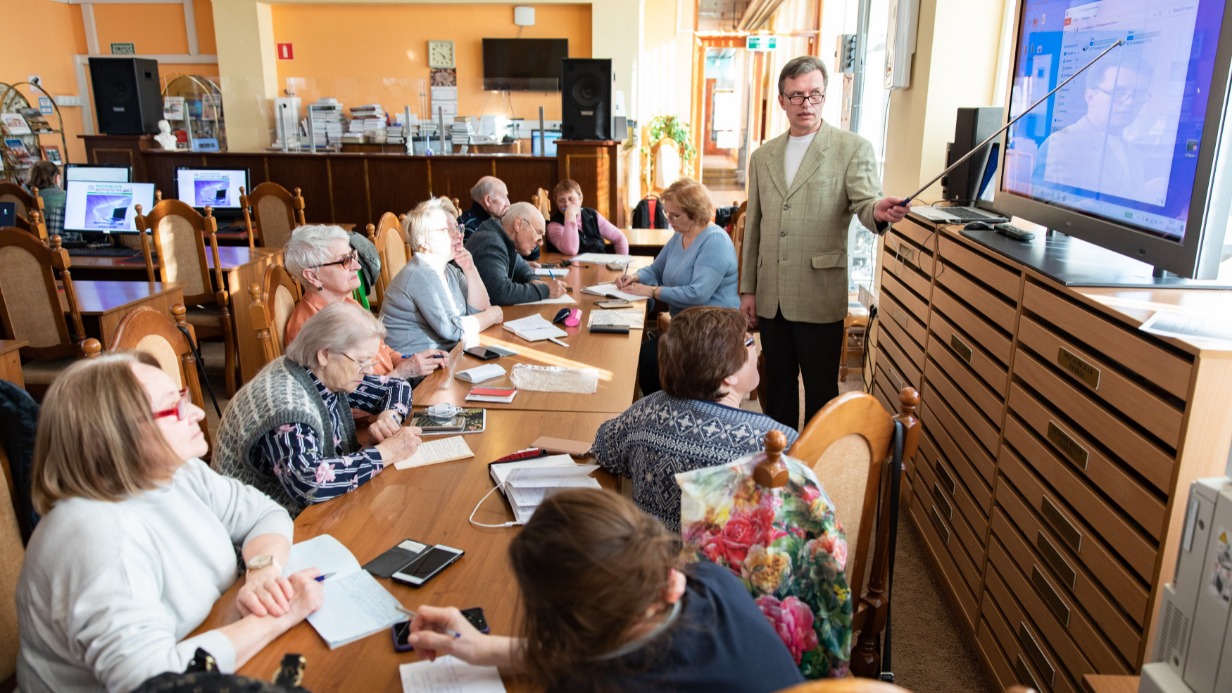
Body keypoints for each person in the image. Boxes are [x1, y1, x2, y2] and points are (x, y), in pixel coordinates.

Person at [17, 353, 323, 692]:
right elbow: (153, 681)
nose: (198, 412)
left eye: (184, 398)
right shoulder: (97, 534)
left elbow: (267, 514)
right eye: (173, 407)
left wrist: (264, 571)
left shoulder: (178, 472)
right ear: (118, 436)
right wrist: (281, 614)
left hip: (210, 639)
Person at [407, 489, 804, 693]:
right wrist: (483, 649)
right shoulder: (713, 583)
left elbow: (593, 662)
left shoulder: (592, 685)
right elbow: (606, 651)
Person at [741, 56, 910, 429]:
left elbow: (866, 202)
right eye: (797, 96)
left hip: (818, 292)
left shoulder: (852, 148)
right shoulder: (763, 156)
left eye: (815, 94)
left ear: (824, 96)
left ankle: (818, 471)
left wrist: (879, 211)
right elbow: (754, 226)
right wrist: (747, 290)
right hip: (771, 296)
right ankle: (780, 462)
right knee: (778, 388)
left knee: (821, 393)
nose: (807, 104)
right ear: (782, 100)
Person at [591, 306, 798, 532]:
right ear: (728, 375)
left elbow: (603, 447)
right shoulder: (775, 442)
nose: (755, 348)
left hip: (650, 560)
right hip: (730, 566)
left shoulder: (645, 410)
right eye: (748, 343)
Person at [214, 302, 421, 515]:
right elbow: (310, 483)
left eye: (371, 360)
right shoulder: (286, 405)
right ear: (324, 354)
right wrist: (385, 452)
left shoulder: (322, 372)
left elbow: (397, 386)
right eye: (361, 361)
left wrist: (389, 418)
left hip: (312, 513)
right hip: (264, 527)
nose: (368, 370)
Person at [615, 177, 738, 395]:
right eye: (667, 214)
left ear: (696, 212)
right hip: (687, 326)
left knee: (649, 358)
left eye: (675, 215)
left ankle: (668, 412)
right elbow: (655, 269)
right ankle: (665, 410)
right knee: (646, 357)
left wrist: (652, 291)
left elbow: (697, 294)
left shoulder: (715, 241)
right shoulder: (680, 235)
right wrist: (636, 277)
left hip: (713, 330)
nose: (669, 220)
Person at [283, 224, 446, 379]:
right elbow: (350, 400)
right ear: (312, 276)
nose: (357, 266)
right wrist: (402, 373)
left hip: (394, 388)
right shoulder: (311, 330)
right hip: (381, 404)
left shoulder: (347, 303)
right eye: (344, 261)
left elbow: (383, 350)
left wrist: (414, 362)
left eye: (353, 256)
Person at [381, 198, 504, 355]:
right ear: (423, 241)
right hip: (418, 368)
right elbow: (453, 330)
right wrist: (492, 316)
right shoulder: (421, 273)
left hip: (448, 355)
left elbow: (479, 311)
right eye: (448, 230)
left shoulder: (449, 270)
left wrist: (470, 268)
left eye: (458, 228)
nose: (458, 235)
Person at [1035, 64, 1164, 203]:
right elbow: (1050, 212)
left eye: (1138, 94)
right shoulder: (1060, 144)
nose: (1130, 102)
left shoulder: (1134, 154)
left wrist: (1145, 194)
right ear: (1090, 97)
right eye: (1118, 92)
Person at [465, 201, 568, 306]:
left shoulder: (504, 238)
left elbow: (522, 267)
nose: (541, 242)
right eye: (538, 232)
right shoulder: (490, 241)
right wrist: (545, 290)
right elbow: (500, 293)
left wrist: (534, 280)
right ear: (518, 224)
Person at [544, 178, 629, 255]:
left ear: (580, 199)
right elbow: (571, 250)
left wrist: (621, 264)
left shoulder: (591, 214)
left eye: (571, 199)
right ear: (556, 203)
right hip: (574, 269)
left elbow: (619, 238)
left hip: (600, 266)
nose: (567, 204)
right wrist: (570, 216)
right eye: (561, 201)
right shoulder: (553, 226)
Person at [24, 160, 67, 241]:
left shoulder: (22, 195)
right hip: (59, 245)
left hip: (28, 247)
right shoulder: (64, 197)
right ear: (57, 178)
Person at [457, 176, 511, 240]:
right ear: (488, 200)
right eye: (503, 196)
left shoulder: (499, 222)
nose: (508, 203)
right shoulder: (467, 226)